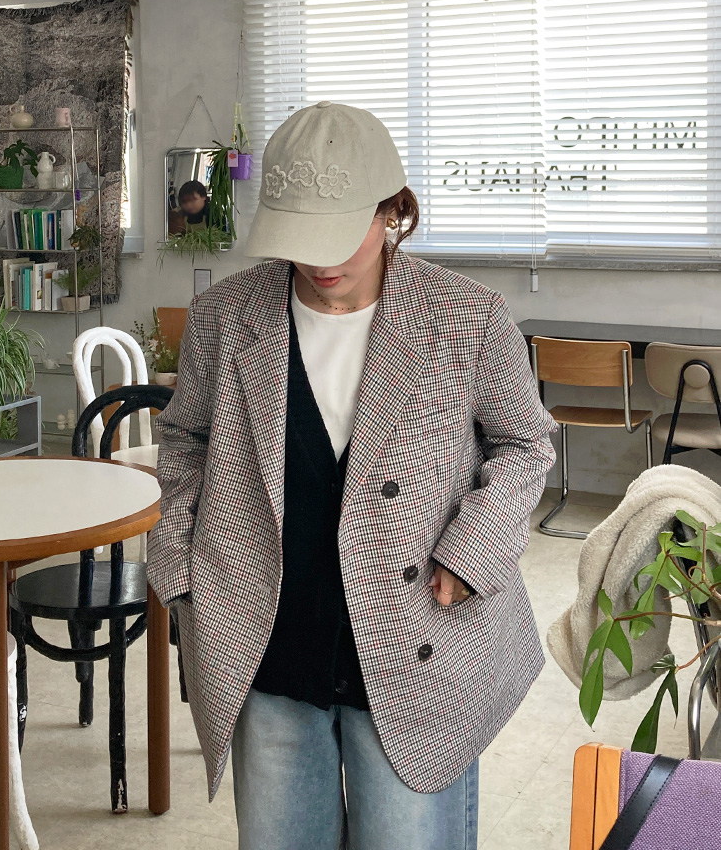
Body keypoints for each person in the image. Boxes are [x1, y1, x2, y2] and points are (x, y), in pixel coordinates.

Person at [147, 101, 556, 850]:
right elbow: (184, 441)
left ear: (393, 210)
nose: (321, 260)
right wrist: (180, 572)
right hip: (266, 650)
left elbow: (525, 444)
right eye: (300, 235)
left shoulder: (467, 317)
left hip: (416, 644)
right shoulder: (224, 317)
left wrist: (473, 549)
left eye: (341, 231)